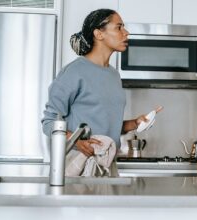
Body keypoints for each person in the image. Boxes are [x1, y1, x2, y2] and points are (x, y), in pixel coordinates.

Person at [41, 9, 148, 158]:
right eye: (119, 27)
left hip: (107, 163)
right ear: (99, 34)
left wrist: (134, 124)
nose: (126, 32)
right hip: (78, 163)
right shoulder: (73, 72)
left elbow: (105, 124)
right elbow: (49, 123)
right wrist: (76, 141)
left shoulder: (114, 75)